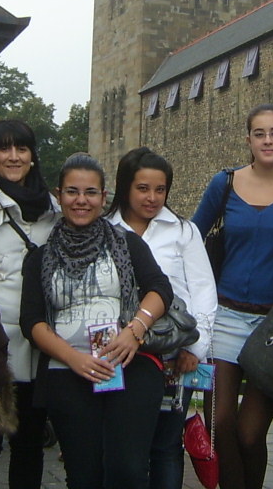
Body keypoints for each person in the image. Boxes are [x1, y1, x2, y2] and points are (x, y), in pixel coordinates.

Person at [19, 153, 174, 489]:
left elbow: (160, 289)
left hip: (128, 363)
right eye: (72, 192)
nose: (81, 201)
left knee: (129, 470)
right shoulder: (40, 258)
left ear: (103, 198)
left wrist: (135, 330)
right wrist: (73, 358)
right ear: (58, 195)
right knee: (84, 475)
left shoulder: (126, 243)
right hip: (68, 371)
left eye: (90, 193)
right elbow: (31, 321)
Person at [191, 103, 273, 489]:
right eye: (260, 133)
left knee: (249, 433)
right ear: (248, 140)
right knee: (220, 420)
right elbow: (192, 238)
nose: (268, 140)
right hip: (226, 316)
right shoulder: (223, 184)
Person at [106, 147, 218, 489]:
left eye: (160, 189)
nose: (152, 198)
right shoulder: (105, 229)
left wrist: (195, 348)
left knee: (167, 445)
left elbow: (203, 291)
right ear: (125, 187)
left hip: (172, 356)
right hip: (116, 354)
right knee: (122, 446)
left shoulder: (183, 232)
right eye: (143, 188)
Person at [0, 119, 60, 489]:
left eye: (22, 148)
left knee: (29, 445)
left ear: (33, 156)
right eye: (4, 148)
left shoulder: (53, 207)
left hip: (38, 343)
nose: (14, 156)